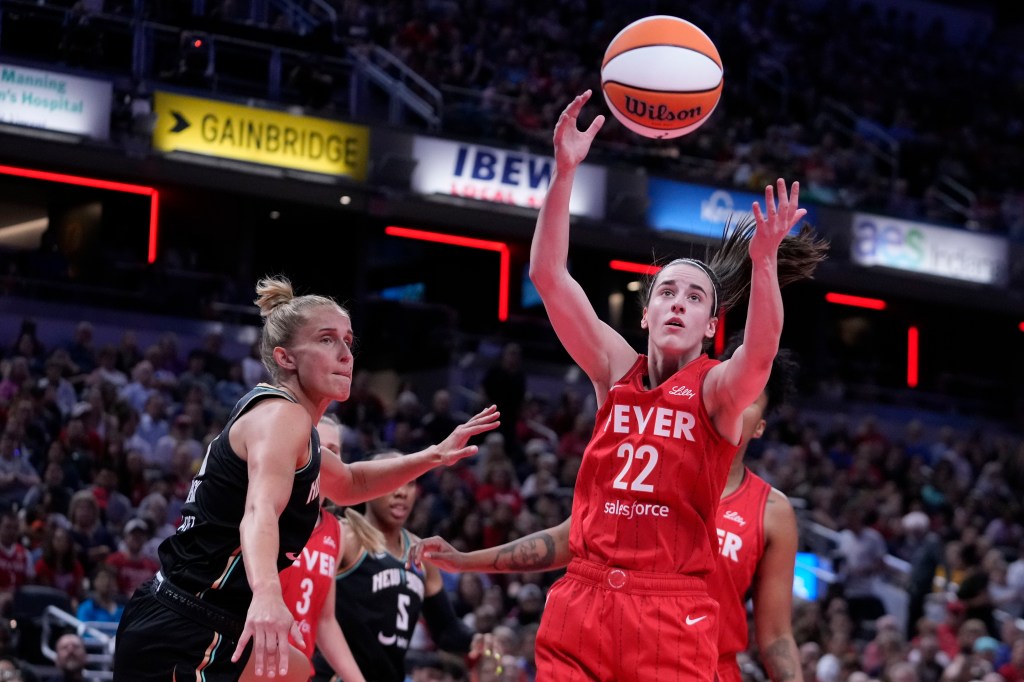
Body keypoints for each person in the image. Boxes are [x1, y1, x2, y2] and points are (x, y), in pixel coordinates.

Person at [413, 90, 827, 681]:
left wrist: (764, 264)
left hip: (669, 614)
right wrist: (563, 174)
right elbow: (549, 277)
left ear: (712, 325)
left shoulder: (717, 392)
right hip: (582, 602)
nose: (678, 303)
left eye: (695, 297)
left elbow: (760, 354)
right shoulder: (614, 370)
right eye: (666, 292)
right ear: (645, 314)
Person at [112, 275, 500, 681]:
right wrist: (266, 592)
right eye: (327, 339)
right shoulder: (283, 416)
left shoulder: (301, 433)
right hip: (185, 624)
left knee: (297, 672)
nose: (346, 353)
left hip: (210, 621)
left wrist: (434, 455)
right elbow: (260, 508)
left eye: (348, 341)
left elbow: (351, 483)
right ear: (286, 358)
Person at [311, 450, 475, 682]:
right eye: (391, 480)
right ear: (367, 485)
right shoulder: (346, 535)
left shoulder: (422, 553)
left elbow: (445, 630)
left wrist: (475, 640)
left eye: (409, 484)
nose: (400, 492)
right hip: (335, 675)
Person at [709, 337, 803, 682]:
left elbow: (776, 635)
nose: (735, 403)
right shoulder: (655, 472)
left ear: (760, 427)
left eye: (749, 399)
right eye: (732, 389)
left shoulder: (773, 511)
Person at [279, 415, 365, 682]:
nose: (325, 455)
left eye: (334, 450)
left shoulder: (336, 531)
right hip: (244, 663)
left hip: (297, 671)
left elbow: (325, 621)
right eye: (317, 444)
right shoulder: (270, 510)